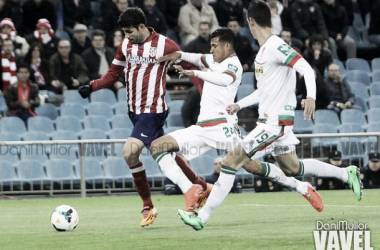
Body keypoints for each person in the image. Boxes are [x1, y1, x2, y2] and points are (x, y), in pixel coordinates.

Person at [177, 0, 362, 231]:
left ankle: (201, 218)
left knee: (230, 161)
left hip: (275, 123)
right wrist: (239, 104)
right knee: (293, 168)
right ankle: (346, 173)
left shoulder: (275, 45)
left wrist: (311, 96)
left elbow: (304, 67)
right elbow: (264, 90)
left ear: (251, 21)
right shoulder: (263, 52)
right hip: (271, 122)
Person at [154, 27, 323, 214]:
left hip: (224, 126)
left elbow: (224, 80)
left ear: (227, 46)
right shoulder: (213, 59)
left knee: (252, 166)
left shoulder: (234, 64)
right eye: (210, 46)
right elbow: (196, 58)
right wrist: (178, 55)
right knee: (158, 146)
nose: (211, 50)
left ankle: (300, 186)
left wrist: (196, 74)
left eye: (214, 46)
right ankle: (192, 190)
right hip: (202, 127)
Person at [77, 7, 208, 227]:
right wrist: (92, 87)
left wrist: (206, 98)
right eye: (124, 32)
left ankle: (150, 205)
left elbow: (191, 68)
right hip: (134, 111)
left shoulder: (166, 45)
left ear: (142, 27)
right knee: (164, 151)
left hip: (154, 110)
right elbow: (113, 74)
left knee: (129, 152)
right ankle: (200, 185)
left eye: (129, 31)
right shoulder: (125, 45)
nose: (127, 36)